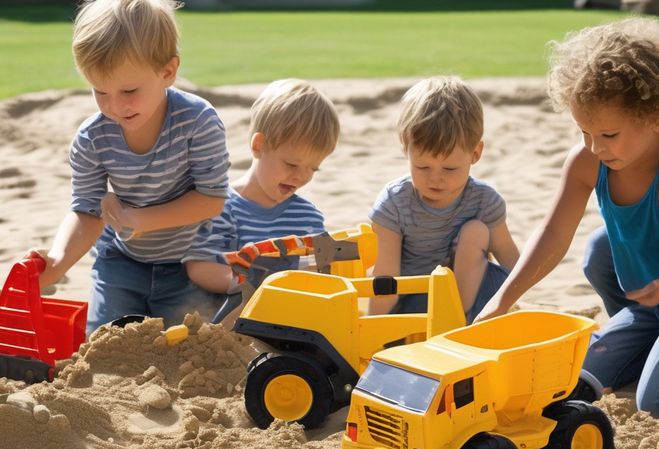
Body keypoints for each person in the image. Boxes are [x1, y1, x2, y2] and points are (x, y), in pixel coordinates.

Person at [475, 18, 659, 415]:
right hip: (650, 297)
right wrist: (503, 299)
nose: (594, 147)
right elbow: (555, 233)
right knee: (579, 374)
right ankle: (654, 336)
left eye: (608, 135)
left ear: (656, 117)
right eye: (583, 132)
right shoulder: (588, 161)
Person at [34, 0, 230, 334]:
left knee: (187, 346)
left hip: (190, 264)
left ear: (167, 72)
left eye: (129, 90)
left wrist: (139, 219)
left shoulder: (198, 122)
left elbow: (211, 200)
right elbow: (86, 209)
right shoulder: (93, 137)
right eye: (100, 91)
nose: (115, 106)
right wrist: (56, 261)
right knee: (106, 345)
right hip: (121, 262)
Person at [368, 76, 520, 323]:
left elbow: (511, 260)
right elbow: (386, 278)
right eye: (423, 167)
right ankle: (450, 322)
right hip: (416, 304)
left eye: (449, 169)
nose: (435, 179)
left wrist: (515, 303)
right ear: (406, 150)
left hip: (475, 305)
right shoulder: (395, 203)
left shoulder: (483, 201)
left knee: (476, 231)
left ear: (475, 153)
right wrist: (373, 332)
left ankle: (459, 320)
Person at [182, 79, 339, 300]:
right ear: (259, 146)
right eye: (291, 164)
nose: (302, 176)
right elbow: (200, 268)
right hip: (232, 319)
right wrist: (250, 285)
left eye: (313, 168)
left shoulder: (307, 216)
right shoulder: (220, 206)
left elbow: (320, 271)